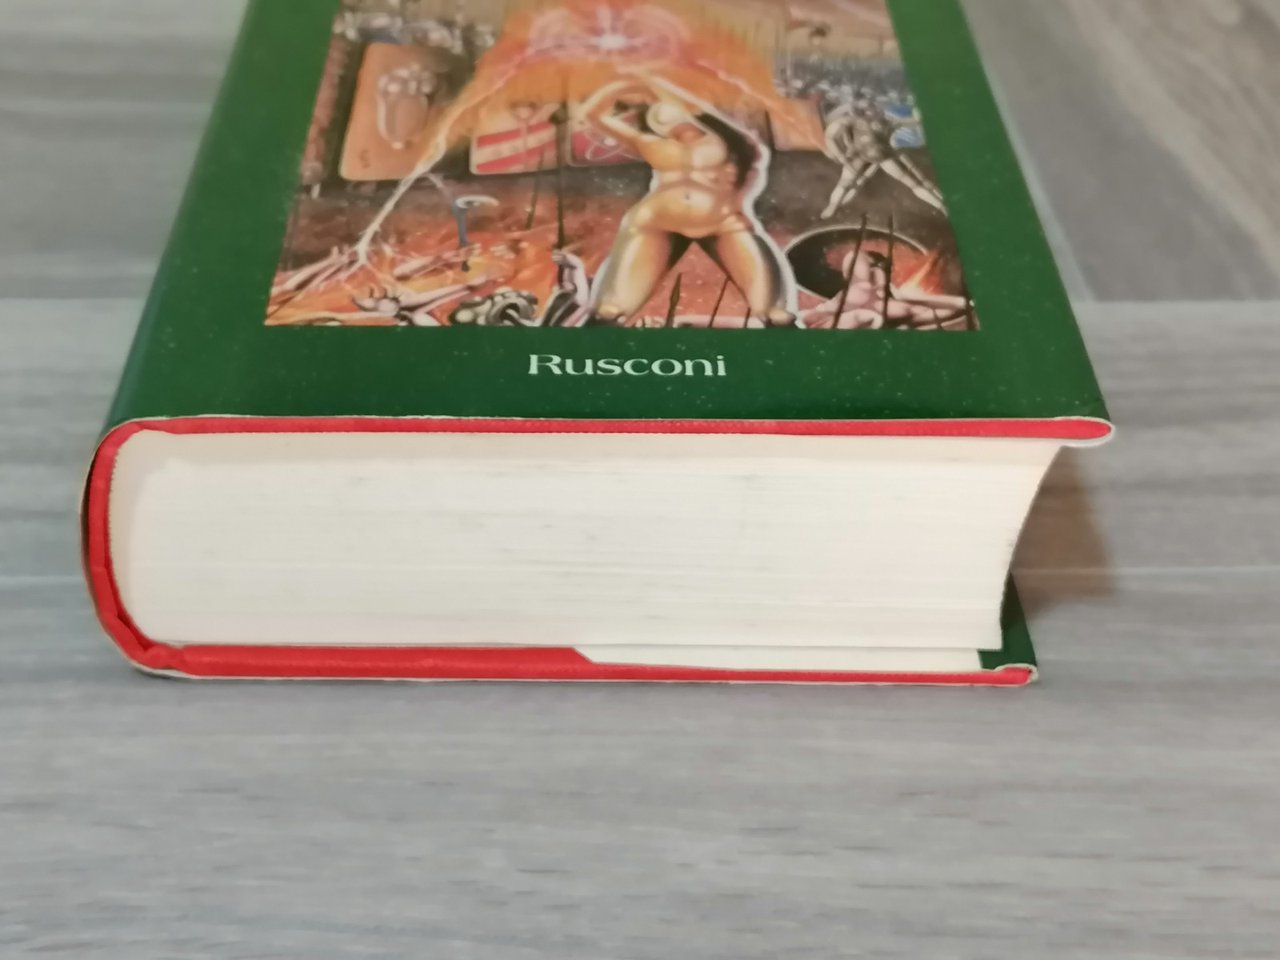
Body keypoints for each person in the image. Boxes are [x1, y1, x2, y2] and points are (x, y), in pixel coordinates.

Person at [580, 74, 797, 326]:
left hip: (722, 221)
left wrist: (652, 83)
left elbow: (698, 110)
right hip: (656, 221)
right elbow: (593, 115)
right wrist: (623, 85)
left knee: (774, 313)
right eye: (660, 116)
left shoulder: (724, 137)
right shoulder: (650, 143)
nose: (669, 120)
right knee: (610, 310)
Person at [820, 90, 945, 219]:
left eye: (873, 107)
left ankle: (942, 207)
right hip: (860, 155)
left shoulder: (889, 123)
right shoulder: (851, 121)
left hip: (883, 156)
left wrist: (923, 109)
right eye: (867, 108)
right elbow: (831, 136)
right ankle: (833, 206)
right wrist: (840, 155)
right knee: (845, 184)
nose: (871, 111)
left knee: (914, 184)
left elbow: (916, 121)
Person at [806, 249, 970, 330]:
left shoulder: (908, 308)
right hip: (819, 322)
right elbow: (856, 255)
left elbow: (962, 305)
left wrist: (908, 298)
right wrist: (880, 281)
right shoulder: (863, 283)